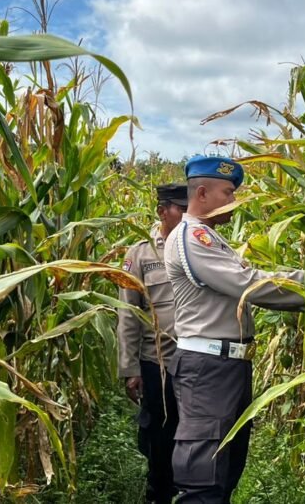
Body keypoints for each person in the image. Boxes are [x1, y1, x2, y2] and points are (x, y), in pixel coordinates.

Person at [163, 155, 305, 503]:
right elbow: (248, 283)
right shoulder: (194, 236)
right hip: (208, 370)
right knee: (204, 479)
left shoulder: (210, 238)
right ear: (201, 192)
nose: (234, 201)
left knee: (224, 471)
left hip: (225, 368)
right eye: (228, 193)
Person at [118, 183, 188, 504]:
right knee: (159, 433)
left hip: (192, 362)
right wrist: (130, 368)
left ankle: (183, 488)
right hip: (156, 363)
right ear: (162, 211)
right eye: (180, 208)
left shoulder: (194, 248)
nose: (187, 214)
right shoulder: (141, 254)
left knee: (188, 432)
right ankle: (157, 492)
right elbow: (128, 315)